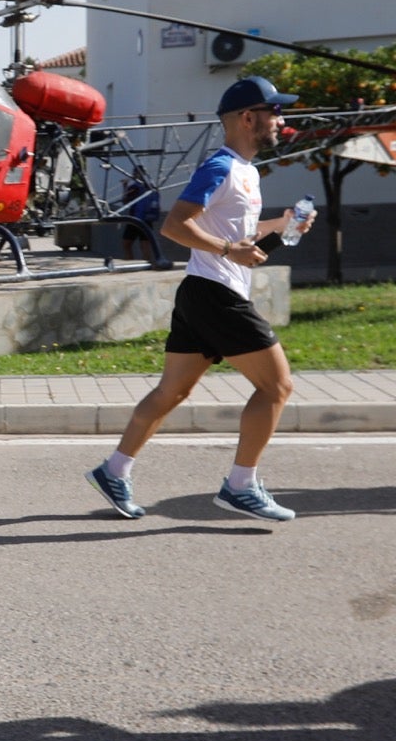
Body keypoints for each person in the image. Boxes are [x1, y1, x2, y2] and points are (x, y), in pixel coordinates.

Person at [86, 75, 312, 525]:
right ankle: (241, 486)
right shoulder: (220, 167)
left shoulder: (246, 172)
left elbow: (233, 232)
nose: (280, 120)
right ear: (248, 118)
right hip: (215, 294)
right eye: (274, 112)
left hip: (202, 291)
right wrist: (230, 252)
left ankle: (114, 471)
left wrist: (280, 225)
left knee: (173, 390)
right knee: (277, 386)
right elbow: (175, 226)